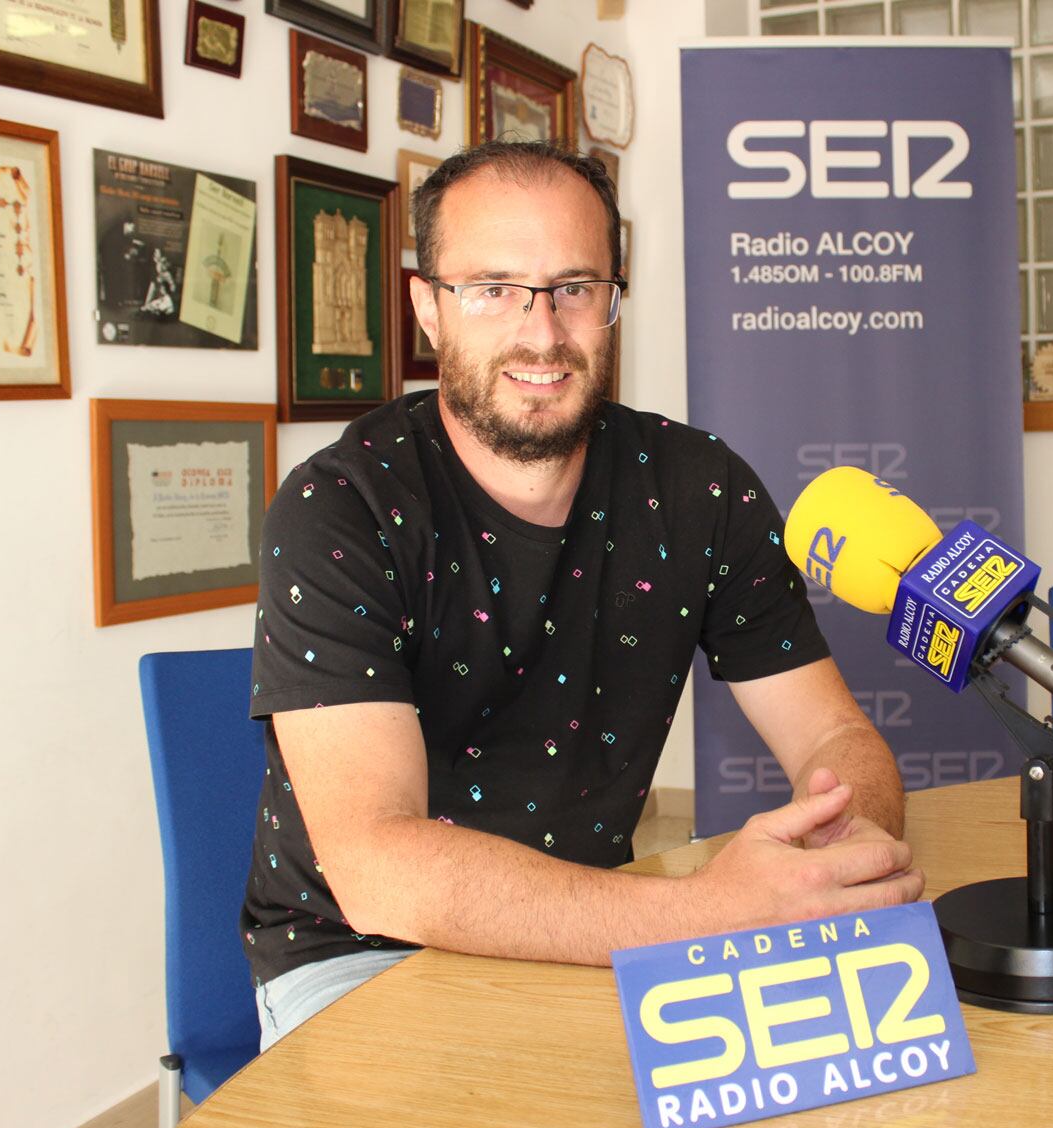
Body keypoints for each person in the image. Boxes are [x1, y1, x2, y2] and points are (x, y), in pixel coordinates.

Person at [244, 140, 921, 1050]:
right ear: (428, 310)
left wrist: (844, 853)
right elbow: (377, 869)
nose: (543, 331)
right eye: (491, 288)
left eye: (575, 287)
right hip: (362, 954)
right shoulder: (342, 510)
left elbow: (835, 737)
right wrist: (704, 914)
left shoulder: (701, 488)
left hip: (595, 923)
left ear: (611, 301)